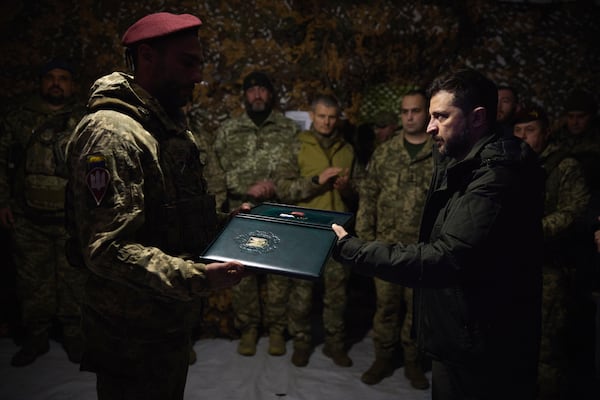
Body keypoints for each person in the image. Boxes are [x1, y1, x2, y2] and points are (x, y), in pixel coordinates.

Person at [331, 68, 544, 399]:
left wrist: (352, 249)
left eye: (441, 116)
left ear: (477, 118)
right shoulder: (464, 162)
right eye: (428, 115)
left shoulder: (496, 177)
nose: (430, 126)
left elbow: (446, 257)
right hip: (464, 333)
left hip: (482, 344)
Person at [64, 13, 245, 399]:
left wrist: (226, 225)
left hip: (165, 321)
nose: (198, 76)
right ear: (147, 57)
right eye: (187, 62)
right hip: (131, 334)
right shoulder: (113, 133)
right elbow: (107, 250)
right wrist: (199, 278)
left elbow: (168, 216)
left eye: (199, 62)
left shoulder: (164, 123)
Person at [0, 58, 87, 366]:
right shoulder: (18, 118)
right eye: (50, 77)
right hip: (28, 219)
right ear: (40, 82)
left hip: (69, 220)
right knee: (31, 282)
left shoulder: (84, 119)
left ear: (72, 85)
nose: (56, 83)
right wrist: (3, 202)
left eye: (63, 78)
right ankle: (35, 339)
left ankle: (75, 339)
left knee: (74, 283)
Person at [213, 70, 299, 357]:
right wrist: (241, 193)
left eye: (263, 88)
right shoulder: (229, 130)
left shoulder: (289, 129)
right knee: (240, 273)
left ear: (271, 94)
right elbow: (217, 173)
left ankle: (277, 329)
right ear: (244, 96)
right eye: (252, 89)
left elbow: (299, 171)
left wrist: (276, 187)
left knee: (279, 275)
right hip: (242, 209)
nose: (257, 94)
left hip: (279, 210)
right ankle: (248, 328)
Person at [513, 105, 590, 399]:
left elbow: (574, 209)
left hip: (548, 269)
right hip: (511, 268)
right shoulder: (509, 163)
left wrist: (532, 233)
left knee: (546, 348)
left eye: (529, 131)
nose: (522, 137)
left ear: (545, 133)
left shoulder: (563, 165)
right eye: (518, 131)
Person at [357, 89, 432, 389]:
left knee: (417, 312)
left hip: (422, 251)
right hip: (385, 248)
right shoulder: (385, 152)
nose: (410, 116)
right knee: (385, 308)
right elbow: (368, 196)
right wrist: (363, 241)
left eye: (415, 111)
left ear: (426, 112)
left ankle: (413, 363)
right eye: (405, 112)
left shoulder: (440, 153)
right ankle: (383, 359)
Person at [276, 93, 356, 368]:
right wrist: (316, 180)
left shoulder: (347, 149)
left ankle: (335, 345)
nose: (327, 122)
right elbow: (283, 188)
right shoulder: (297, 146)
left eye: (332, 117)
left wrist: (347, 190)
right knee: (301, 294)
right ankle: (301, 343)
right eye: (322, 116)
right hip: (306, 232)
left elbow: (358, 195)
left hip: (337, 235)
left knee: (337, 295)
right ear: (312, 116)